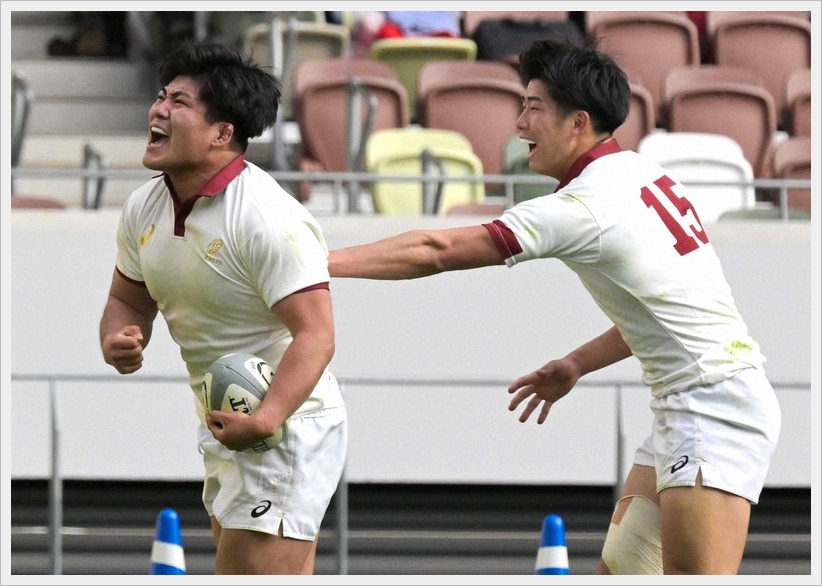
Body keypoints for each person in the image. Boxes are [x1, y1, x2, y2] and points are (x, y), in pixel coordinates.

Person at [327, 38, 781, 575]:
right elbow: (660, 313)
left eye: (534, 108)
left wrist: (317, 263)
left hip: (713, 409)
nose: (519, 123)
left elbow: (437, 250)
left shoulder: (583, 206)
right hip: (692, 405)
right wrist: (576, 364)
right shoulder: (643, 172)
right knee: (620, 575)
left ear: (578, 122)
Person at [99, 41, 347, 575]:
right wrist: (119, 337)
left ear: (222, 133)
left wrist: (267, 419)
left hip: (286, 426)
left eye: (180, 102)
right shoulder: (144, 205)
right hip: (227, 424)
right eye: (161, 96)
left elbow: (317, 336)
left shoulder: (268, 219)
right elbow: (127, 298)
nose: (159, 109)